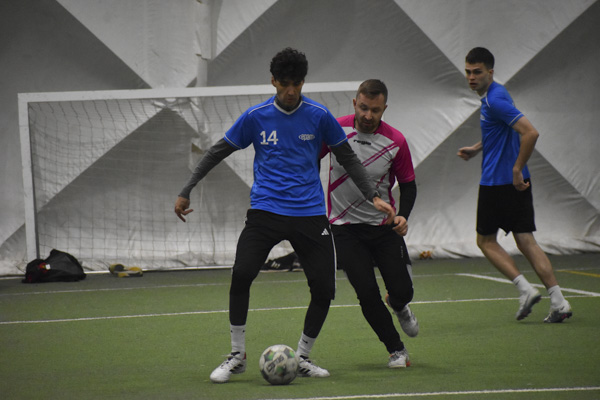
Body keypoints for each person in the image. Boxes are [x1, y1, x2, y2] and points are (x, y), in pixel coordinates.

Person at [174, 48, 395, 383]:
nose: (291, 91)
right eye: (285, 83)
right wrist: (186, 189)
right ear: (273, 81)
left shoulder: (319, 116)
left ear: (303, 82)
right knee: (242, 273)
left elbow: (348, 158)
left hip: (309, 214)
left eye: (297, 83)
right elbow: (218, 151)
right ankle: (236, 355)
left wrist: (373, 196)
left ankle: (302, 356)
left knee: (324, 288)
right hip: (265, 211)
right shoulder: (256, 117)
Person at [458, 47, 572, 323]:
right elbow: (501, 130)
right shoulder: (498, 94)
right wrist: (477, 148)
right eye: (468, 72)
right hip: (514, 183)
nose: (471, 77)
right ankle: (559, 301)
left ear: (490, 72)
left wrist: (517, 168)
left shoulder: (494, 101)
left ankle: (525, 289)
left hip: (497, 183)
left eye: (477, 72)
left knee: (485, 241)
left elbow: (530, 133)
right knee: (526, 241)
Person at [322, 79, 418, 368]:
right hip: (344, 228)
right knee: (366, 292)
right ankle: (396, 350)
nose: (367, 115)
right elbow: (308, 159)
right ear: (355, 103)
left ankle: (398, 304)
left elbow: (409, 185)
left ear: (384, 109)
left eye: (375, 110)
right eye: (363, 108)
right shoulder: (335, 130)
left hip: (383, 227)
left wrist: (403, 216)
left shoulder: (396, 141)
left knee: (403, 290)